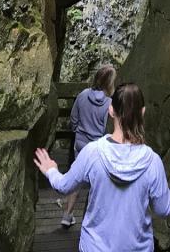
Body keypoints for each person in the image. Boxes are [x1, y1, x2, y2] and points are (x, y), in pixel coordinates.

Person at [34, 83, 170, 251]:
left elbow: (64, 186)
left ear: (111, 110)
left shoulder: (92, 153)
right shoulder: (152, 162)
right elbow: (163, 208)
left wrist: (51, 170)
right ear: (142, 113)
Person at [60, 64, 117, 227]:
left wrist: (79, 131)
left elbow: (73, 119)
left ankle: (67, 214)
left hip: (80, 143)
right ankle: (91, 220)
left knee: (77, 179)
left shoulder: (83, 95)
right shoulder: (109, 104)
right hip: (97, 147)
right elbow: (109, 129)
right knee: (96, 183)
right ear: (109, 83)